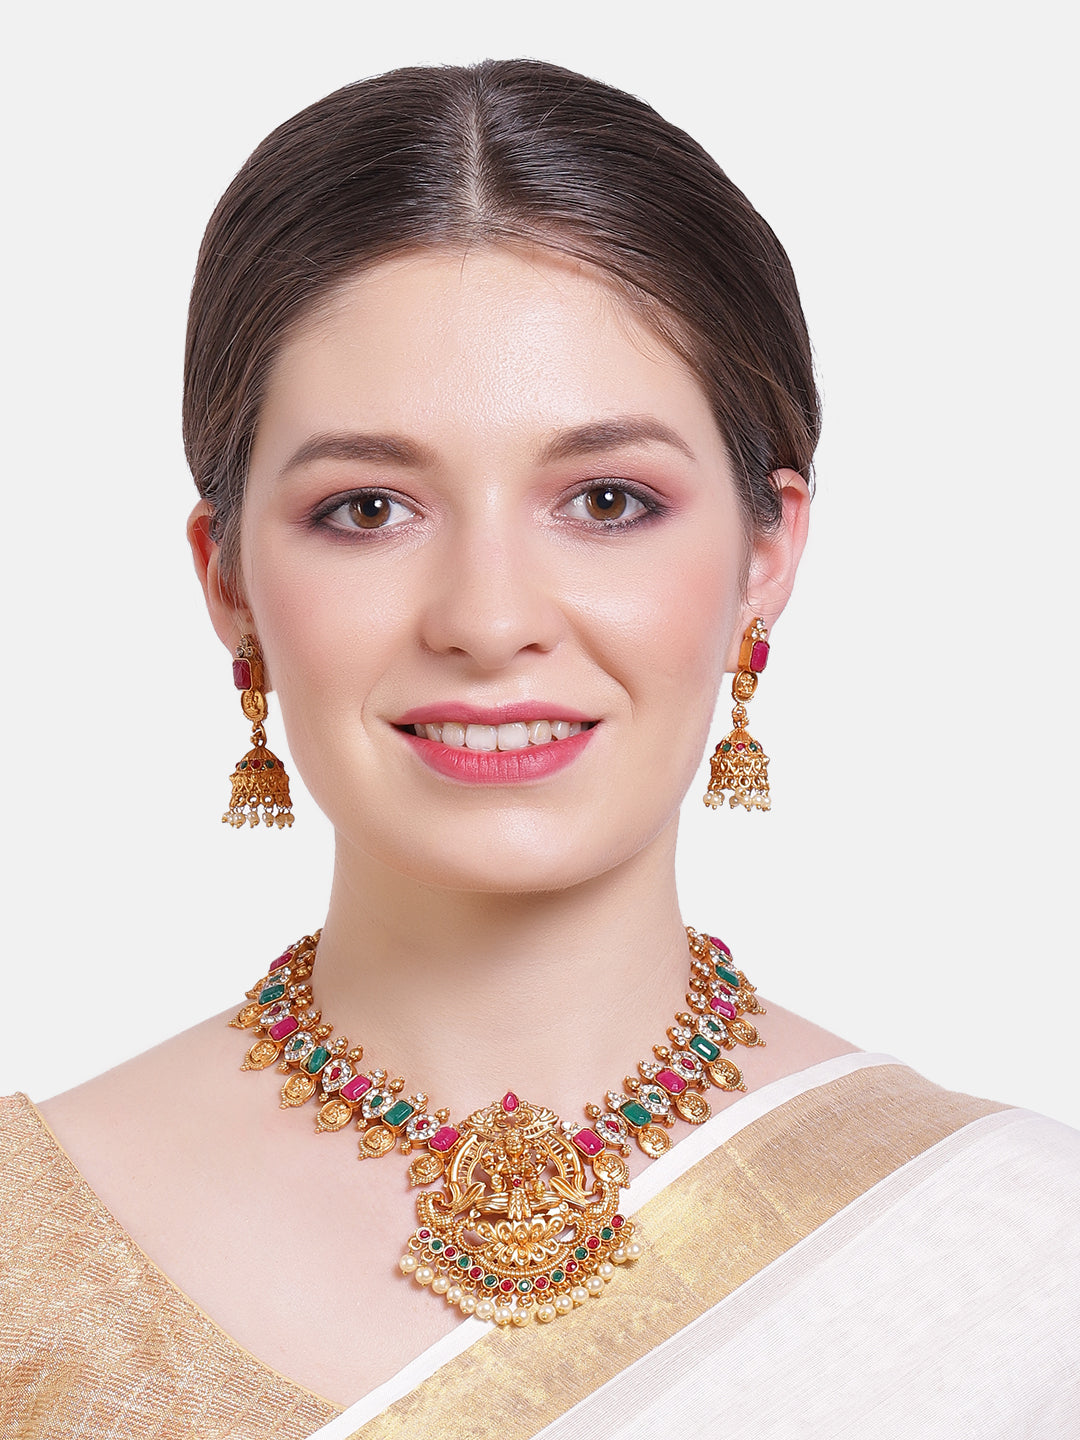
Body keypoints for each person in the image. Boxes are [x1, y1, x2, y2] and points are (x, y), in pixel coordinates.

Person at [1, 58, 1076, 1440]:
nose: (489, 618)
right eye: (369, 508)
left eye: (607, 500)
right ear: (229, 582)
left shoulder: (1024, 1259)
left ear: (766, 554)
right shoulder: (26, 1263)